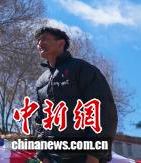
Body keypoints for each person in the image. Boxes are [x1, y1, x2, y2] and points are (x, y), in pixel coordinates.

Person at [33, 27, 118, 163]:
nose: (39, 44)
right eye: (38, 41)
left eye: (45, 39)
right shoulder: (41, 81)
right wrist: (43, 154)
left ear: (61, 43)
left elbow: (104, 111)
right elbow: (39, 120)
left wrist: (94, 155)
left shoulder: (82, 69)